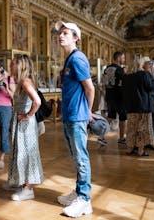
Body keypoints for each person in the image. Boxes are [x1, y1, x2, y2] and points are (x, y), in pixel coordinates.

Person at [55, 21, 95, 218]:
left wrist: (87, 112)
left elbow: (90, 88)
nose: (61, 36)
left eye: (65, 33)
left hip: (77, 116)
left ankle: (85, 200)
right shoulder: (70, 58)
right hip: (70, 115)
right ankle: (79, 192)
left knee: (81, 158)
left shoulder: (77, 59)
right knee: (75, 156)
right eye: (60, 33)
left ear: (76, 37)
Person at [6, 54, 43, 201]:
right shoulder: (21, 81)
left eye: (13, 63)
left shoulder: (25, 82)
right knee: (19, 152)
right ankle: (19, 182)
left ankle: (28, 189)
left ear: (20, 65)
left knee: (26, 154)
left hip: (25, 124)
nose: (11, 65)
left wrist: (28, 115)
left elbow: (37, 101)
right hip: (20, 121)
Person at [122, 57, 154, 157]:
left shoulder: (127, 76)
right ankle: (140, 150)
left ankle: (129, 149)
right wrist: (151, 75)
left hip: (131, 106)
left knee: (131, 128)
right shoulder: (144, 74)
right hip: (143, 106)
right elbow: (151, 88)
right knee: (142, 128)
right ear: (142, 64)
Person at [102, 51, 126, 145]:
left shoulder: (106, 68)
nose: (123, 59)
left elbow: (104, 82)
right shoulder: (119, 69)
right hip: (119, 96)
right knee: (122, 117)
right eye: (123, 58)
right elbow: (124, 82)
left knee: (110, 116)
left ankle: (101, 136)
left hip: (109, 95)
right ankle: (121, 138)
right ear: (118, 58)